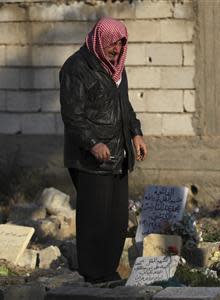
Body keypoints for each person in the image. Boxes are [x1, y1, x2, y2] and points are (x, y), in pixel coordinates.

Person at [59, 17, 147, 283]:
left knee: (117, 220)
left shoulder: (117, 70)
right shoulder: (76, 68)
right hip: (91, 159)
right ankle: (93, 274)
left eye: (121, 44)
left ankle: (108, 272)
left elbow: (125, 107)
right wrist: (92, 143)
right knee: (94, 220)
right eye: (112, 44)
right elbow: (72, 115)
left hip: (119, 156)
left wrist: (136, 133)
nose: (116, 50)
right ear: (100, 40)